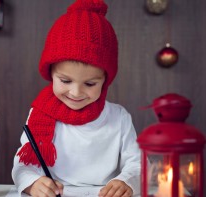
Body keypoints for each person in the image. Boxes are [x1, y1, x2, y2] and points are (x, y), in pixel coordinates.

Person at [12, 0, 141, 196]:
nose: (76, 93)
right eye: (65, 80)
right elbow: (23, 166)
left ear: (105, 80)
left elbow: (138, 162)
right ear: (51, 74)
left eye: (90, 84)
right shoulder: (40, 115)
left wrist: (126, 182)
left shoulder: (119, 118)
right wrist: (34, 183)